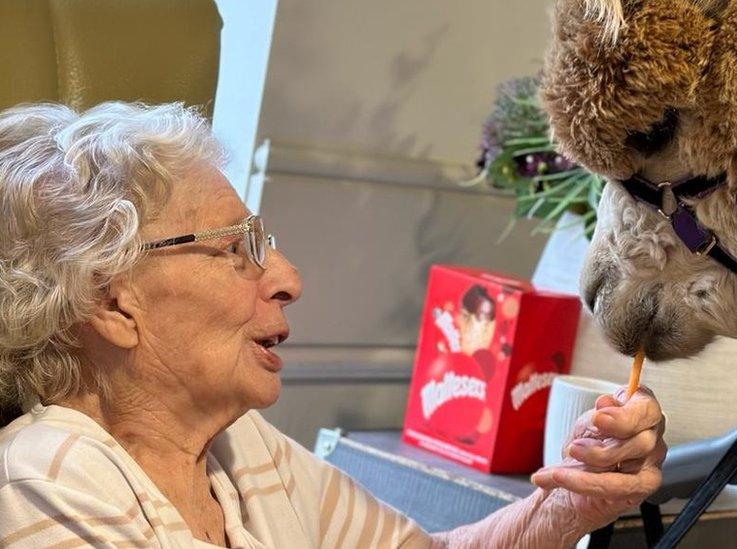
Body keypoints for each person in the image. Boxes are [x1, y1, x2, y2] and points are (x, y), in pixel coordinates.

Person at [0, 102, 667, 548]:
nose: (289, 277)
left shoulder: (245, 451)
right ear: (111, 302)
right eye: (236, 248)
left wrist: (566, 505)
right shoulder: (46, 486)